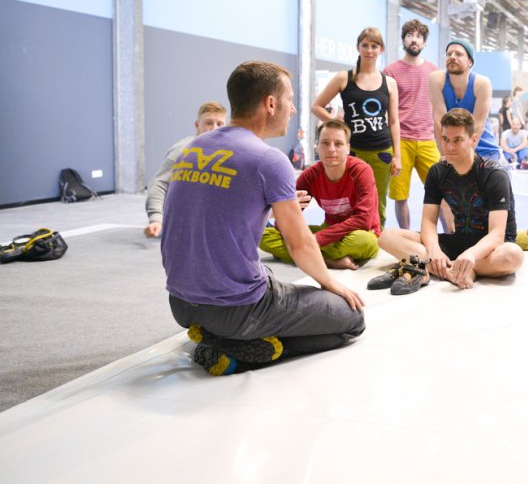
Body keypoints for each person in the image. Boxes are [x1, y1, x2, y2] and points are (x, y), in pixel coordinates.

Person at [162, 61, 365, 376]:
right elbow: (299, 245)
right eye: (290, 100)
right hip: (236, 309)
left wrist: (272, 206)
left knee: (265, 270)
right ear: (271, 104)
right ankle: (236, 349)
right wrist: (330, 284)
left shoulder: (192, 148)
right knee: (351, 319)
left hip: (181, 303)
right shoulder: (269, 160)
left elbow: (208, 212)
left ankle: (216, 334)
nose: (294, 109)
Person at [377, 108, 524, 292]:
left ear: (473, 140)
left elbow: (497, 234)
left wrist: (471, 255)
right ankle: (452, 270)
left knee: (513, 255)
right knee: (386, 236)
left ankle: (439, 266)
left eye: (457, 140)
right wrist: (434, 251)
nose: (449, 147)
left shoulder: (494, 173)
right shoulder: (438, 172)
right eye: (445, 139)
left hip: (491, 250)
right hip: (458, 241)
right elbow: (428, 222)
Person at [259, 120, 380, 270]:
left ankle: (303, 254)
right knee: (263, 235)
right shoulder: (310, 175)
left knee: (364, 241)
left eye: (338, 143)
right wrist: (288, 212)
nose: (331, 149)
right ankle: (328, 260)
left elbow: (363, 220)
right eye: (325, 143)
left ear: (348, 148)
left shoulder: (361, 171)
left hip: (360, 233)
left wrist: (316, 239)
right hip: (330, 229)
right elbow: (284, 219)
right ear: (317, 147)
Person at [312, 27, 401, 225]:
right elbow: (316, 106)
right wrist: (338, 127)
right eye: (365, 45)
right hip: (353, 151)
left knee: (378, 201)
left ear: (381, 49)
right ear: (358, 48)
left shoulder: (389, 83)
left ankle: (376, 240)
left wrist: (398, 155)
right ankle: (349, 236)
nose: (369, 50)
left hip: (381, 151)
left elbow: (394, 121)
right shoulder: (344, 78)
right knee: (349, 197)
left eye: (374, 46)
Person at [382, 19, 442, 230]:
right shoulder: (390, 71)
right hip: (401, 142)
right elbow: (385, 109)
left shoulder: (434, 71)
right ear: (403, 40)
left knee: (442, 194)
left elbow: (439, 108)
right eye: (409, 35)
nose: (414, 39)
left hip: (427, 141)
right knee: (400, 196)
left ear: (424, 42)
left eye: (418, 36)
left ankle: (451, 236)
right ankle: (406, 237)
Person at [144, 101, 227, 238]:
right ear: (197, 125)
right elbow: (159, 184)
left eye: (219, 124)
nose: (214, 128)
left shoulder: (228, 151)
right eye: (208, 123)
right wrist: (156, 219)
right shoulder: (183, 150)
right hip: (181, 224)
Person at [429, 39, 501, 162]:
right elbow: (439, 121)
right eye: (449, 54)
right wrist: (445, 155)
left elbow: (478, 124)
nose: (452, 57)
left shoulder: (482, 84)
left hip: (483, 147)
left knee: (495, 178)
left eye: (458, 54)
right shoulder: (436, 79)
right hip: (453, 147)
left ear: (470, 62)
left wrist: (466, 156)